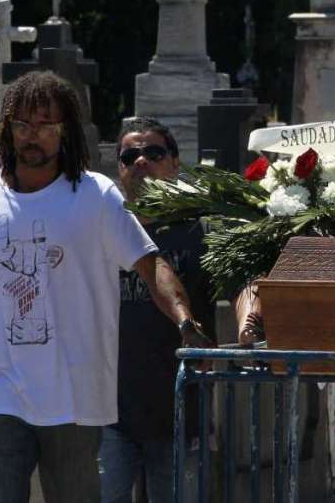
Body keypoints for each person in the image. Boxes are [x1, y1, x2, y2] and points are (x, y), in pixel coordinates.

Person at [0, 72, 205, 503]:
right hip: (0, 394)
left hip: (74, 400)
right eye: (23, 125)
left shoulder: (96, 196)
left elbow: (151, 265)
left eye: (46, 125)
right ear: (7, 129)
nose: (33, 136)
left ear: (65, 131)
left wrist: (185, 320)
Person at [99, 117, 216, 503]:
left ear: (175, 163)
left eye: (154, 152)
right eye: (129, 155)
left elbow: (244, 285)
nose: (141, 161)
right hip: (109, 412)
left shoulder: (201, 232)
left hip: (179, 411)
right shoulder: (103, 233)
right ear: (119, 169)